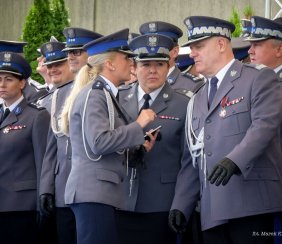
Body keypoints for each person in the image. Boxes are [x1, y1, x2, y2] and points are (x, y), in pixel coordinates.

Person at [168, 16, 282, 244]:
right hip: (212, 213)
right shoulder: (198, 97)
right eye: (191, 48)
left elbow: (265, 125)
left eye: (198, 47)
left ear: (221, 45)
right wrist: (181, 204)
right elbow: (193, 157)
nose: (192, 54)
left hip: (251, 206)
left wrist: (234, 160)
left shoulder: (258, 78)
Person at [63, 28, 157, 244]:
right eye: (126, 58)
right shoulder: (94, 95)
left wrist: (138, 146)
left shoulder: (104, 94)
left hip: (101, 193)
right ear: (111, 64)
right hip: (93, 193)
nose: (132, 63)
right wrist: (138, 125)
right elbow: (98, 142)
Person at [116, 33, 191, 244]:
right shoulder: (118, 99)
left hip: (161, 203)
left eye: (159, 64)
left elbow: (188, 161)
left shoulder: (184, 104)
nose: (152, 70)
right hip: (119, 200)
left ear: (168, 67)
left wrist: (181, 204)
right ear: (134, 67)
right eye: (146, 64)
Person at [246, 15, 282, 243]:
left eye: (257, 45)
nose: (250, 51)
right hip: (257, 197)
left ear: (279, 49)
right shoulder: (257, 83)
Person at [0, 52, 50, 244]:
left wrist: (43, 199)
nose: (2, 85)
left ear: (22, 83)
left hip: (21, 206)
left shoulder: (36, 116)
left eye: (9, 79)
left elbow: (43, 162)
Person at [38, 40, 76, 244]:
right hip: (60, 189)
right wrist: (45, 188)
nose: (52, 70)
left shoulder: (82, 93)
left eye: (58, 65)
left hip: (84, 188)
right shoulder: (46, 100)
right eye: (49, 66)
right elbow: (48, 152)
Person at [139, 21, 201, 90]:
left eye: (161, 48)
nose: (154, 52)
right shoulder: (137, 85)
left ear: (175, 52)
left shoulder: (192, 86)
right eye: (148, 49)